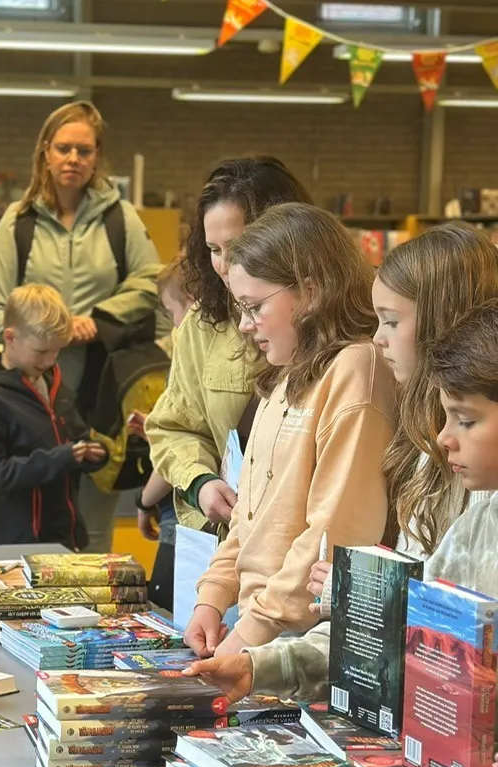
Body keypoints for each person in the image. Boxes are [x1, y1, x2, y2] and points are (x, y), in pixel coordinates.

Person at [184, 302, 498, 767]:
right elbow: (399, 634)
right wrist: (261, 667)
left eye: (466, 421)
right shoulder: (480, 515)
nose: (444, 440)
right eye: (444, 417)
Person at [182, 202, 397, 659]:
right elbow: (250, 516)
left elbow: (333, 529)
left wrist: (248, 635)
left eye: (255, 307)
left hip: (307, 636)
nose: (244, 324)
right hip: (257, 625)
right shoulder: (285, 374)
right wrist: (212, 595)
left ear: (312, 290)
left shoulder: (357, 369)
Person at [0, 100, 160, 553]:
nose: (73, 159)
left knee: (94, 525)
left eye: (84, 150)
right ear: (45, 151)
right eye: (63, 148)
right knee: (35, 523)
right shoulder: (17, 224)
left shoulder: (122, 218)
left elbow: (152, 283)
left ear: (97, 156)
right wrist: (44, 333)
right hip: (33, 401)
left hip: (100, 391)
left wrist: (97, 320)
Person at [145, 157, 313, 543]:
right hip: (227, 539)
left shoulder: (336, 330)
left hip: (306, 544)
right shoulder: (202, 325)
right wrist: (200, 482)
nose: (223, 265)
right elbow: (174, 427)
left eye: (235, 246)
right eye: (212, 249)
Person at [0, 283, 106, 549]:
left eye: (57, 351)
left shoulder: (52, 380)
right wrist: (57, 459)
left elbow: (75, 432)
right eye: (42, 352)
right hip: (23, 540)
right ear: (9, 338)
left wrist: (92, 452)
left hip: (66, 532)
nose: (50, 360)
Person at [132, 256, 194, 611]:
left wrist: (144, 500)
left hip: (182, 513)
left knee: (167, 614)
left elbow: (180, 446)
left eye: (171, 312)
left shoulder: (191, 350)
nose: (172, 324)